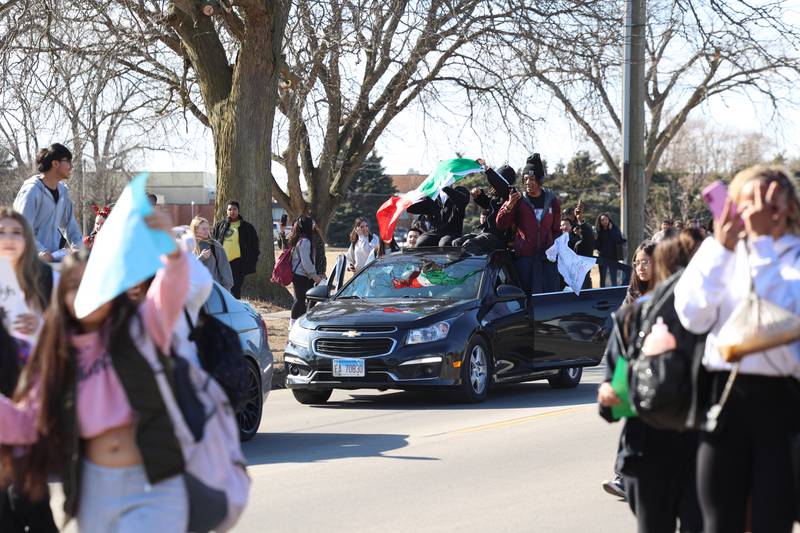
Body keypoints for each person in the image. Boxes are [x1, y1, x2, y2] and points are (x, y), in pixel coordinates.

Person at [0, 210, 192, 531]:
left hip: (152, 479)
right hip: (93, 489)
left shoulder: (138, 329)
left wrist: (171, 250)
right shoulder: (56, 353)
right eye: (75, 287)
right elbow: (25, 421)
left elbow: (170, 292)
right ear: (63, 298)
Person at [674, 165, 800, 533]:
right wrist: (721, 248)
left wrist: (761, 243)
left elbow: (779, 317)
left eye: (767, 201)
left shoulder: (792, 256)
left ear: (789, 207)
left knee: (770, 521)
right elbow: (693, 316)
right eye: (747, 201)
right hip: (724, 397)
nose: (755, 210)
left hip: (782, 403)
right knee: (719, 521)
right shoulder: (721, 252)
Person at [599, 230, 705, 533]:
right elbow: (613, 395)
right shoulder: (631, 317)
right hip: (645, 450)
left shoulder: (713, 319)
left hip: (697, 449)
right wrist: (610, 393)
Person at [0, 208, 58, 533]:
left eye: (15, 232)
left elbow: (70, 333)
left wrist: (41, 324)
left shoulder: (45, 278)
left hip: (31, 399)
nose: (8, 239)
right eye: (2, 232)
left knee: (28, 496)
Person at [496, 153, 561, 294]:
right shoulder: (518, 200)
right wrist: (509, 206)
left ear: (539, 180)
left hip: (546, 261)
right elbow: (501, 224)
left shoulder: (552, 201)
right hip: (525, 260)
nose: (528, 182)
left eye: (532, 179)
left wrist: (553, 248)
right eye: (525, 179)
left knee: (549, 299)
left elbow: (556, 230)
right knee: (525, 299)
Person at [13, 143, 83, 262]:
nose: (71, 166)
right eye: (68, 161)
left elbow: (71, 226)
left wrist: (78, 249)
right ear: (55, 163)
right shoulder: (31, 191)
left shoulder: (63, 192)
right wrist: (40, 251)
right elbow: (20, 229)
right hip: (27, 263)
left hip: (52, 262)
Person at [211, 200, 260, 298]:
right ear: (226, 211)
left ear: (238, 211)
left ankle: (235, 308)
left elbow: (255, 246)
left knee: (236, 288)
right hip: (222, 262)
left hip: (238, 263)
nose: (232, 211)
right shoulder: (219, 225)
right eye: (229, 209)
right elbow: (213, 241)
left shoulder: (247, 227)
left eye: (234, 209)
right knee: (222, 287)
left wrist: (251, 260)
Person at [407, 185, 471, 247]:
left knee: (444, 243)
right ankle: (427, 258)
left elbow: (463, 201)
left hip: (452, 232)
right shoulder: (432, 195)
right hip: (435, 232)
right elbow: (412, 209)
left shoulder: (459, 190)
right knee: (421, 242)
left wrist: (445, 188)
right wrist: (417, 196)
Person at [289, 216, 322, 326]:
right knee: (300, 300)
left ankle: (300, 323)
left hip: (299, 274)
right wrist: (314, 276)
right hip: (301, 275)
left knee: (301, 300)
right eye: (311, 224)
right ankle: (293, 324)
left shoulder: (298, 239)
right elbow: (306, 262)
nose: (313, 226)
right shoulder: (305, 242)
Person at [190, 216, 234, 292]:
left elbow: (225, 269)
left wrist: (226, 291)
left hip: (214, 292)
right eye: (203, 229)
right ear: (195, 230)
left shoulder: (215, 246)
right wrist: (201, 258)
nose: (207, 231)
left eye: (208, 228)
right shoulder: (189, 246)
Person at [595, 212, 625, 287]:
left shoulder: (614, 228)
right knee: (603, 278)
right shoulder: (598, 231)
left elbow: (619, 240)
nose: (604, 221)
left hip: (613, 257)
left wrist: (611, 230)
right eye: (602, 220)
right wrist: (595, 239)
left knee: (613, 278)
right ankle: (602, 294)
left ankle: (614, 295)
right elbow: (596, 246)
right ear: (599, 222)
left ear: (609, 220)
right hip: (602, 257)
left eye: (606, 219)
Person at [623, 241, 656, 306]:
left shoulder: (668, 291)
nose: (640, 268)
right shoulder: (633, 290)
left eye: (645, 262)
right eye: (637, 263)